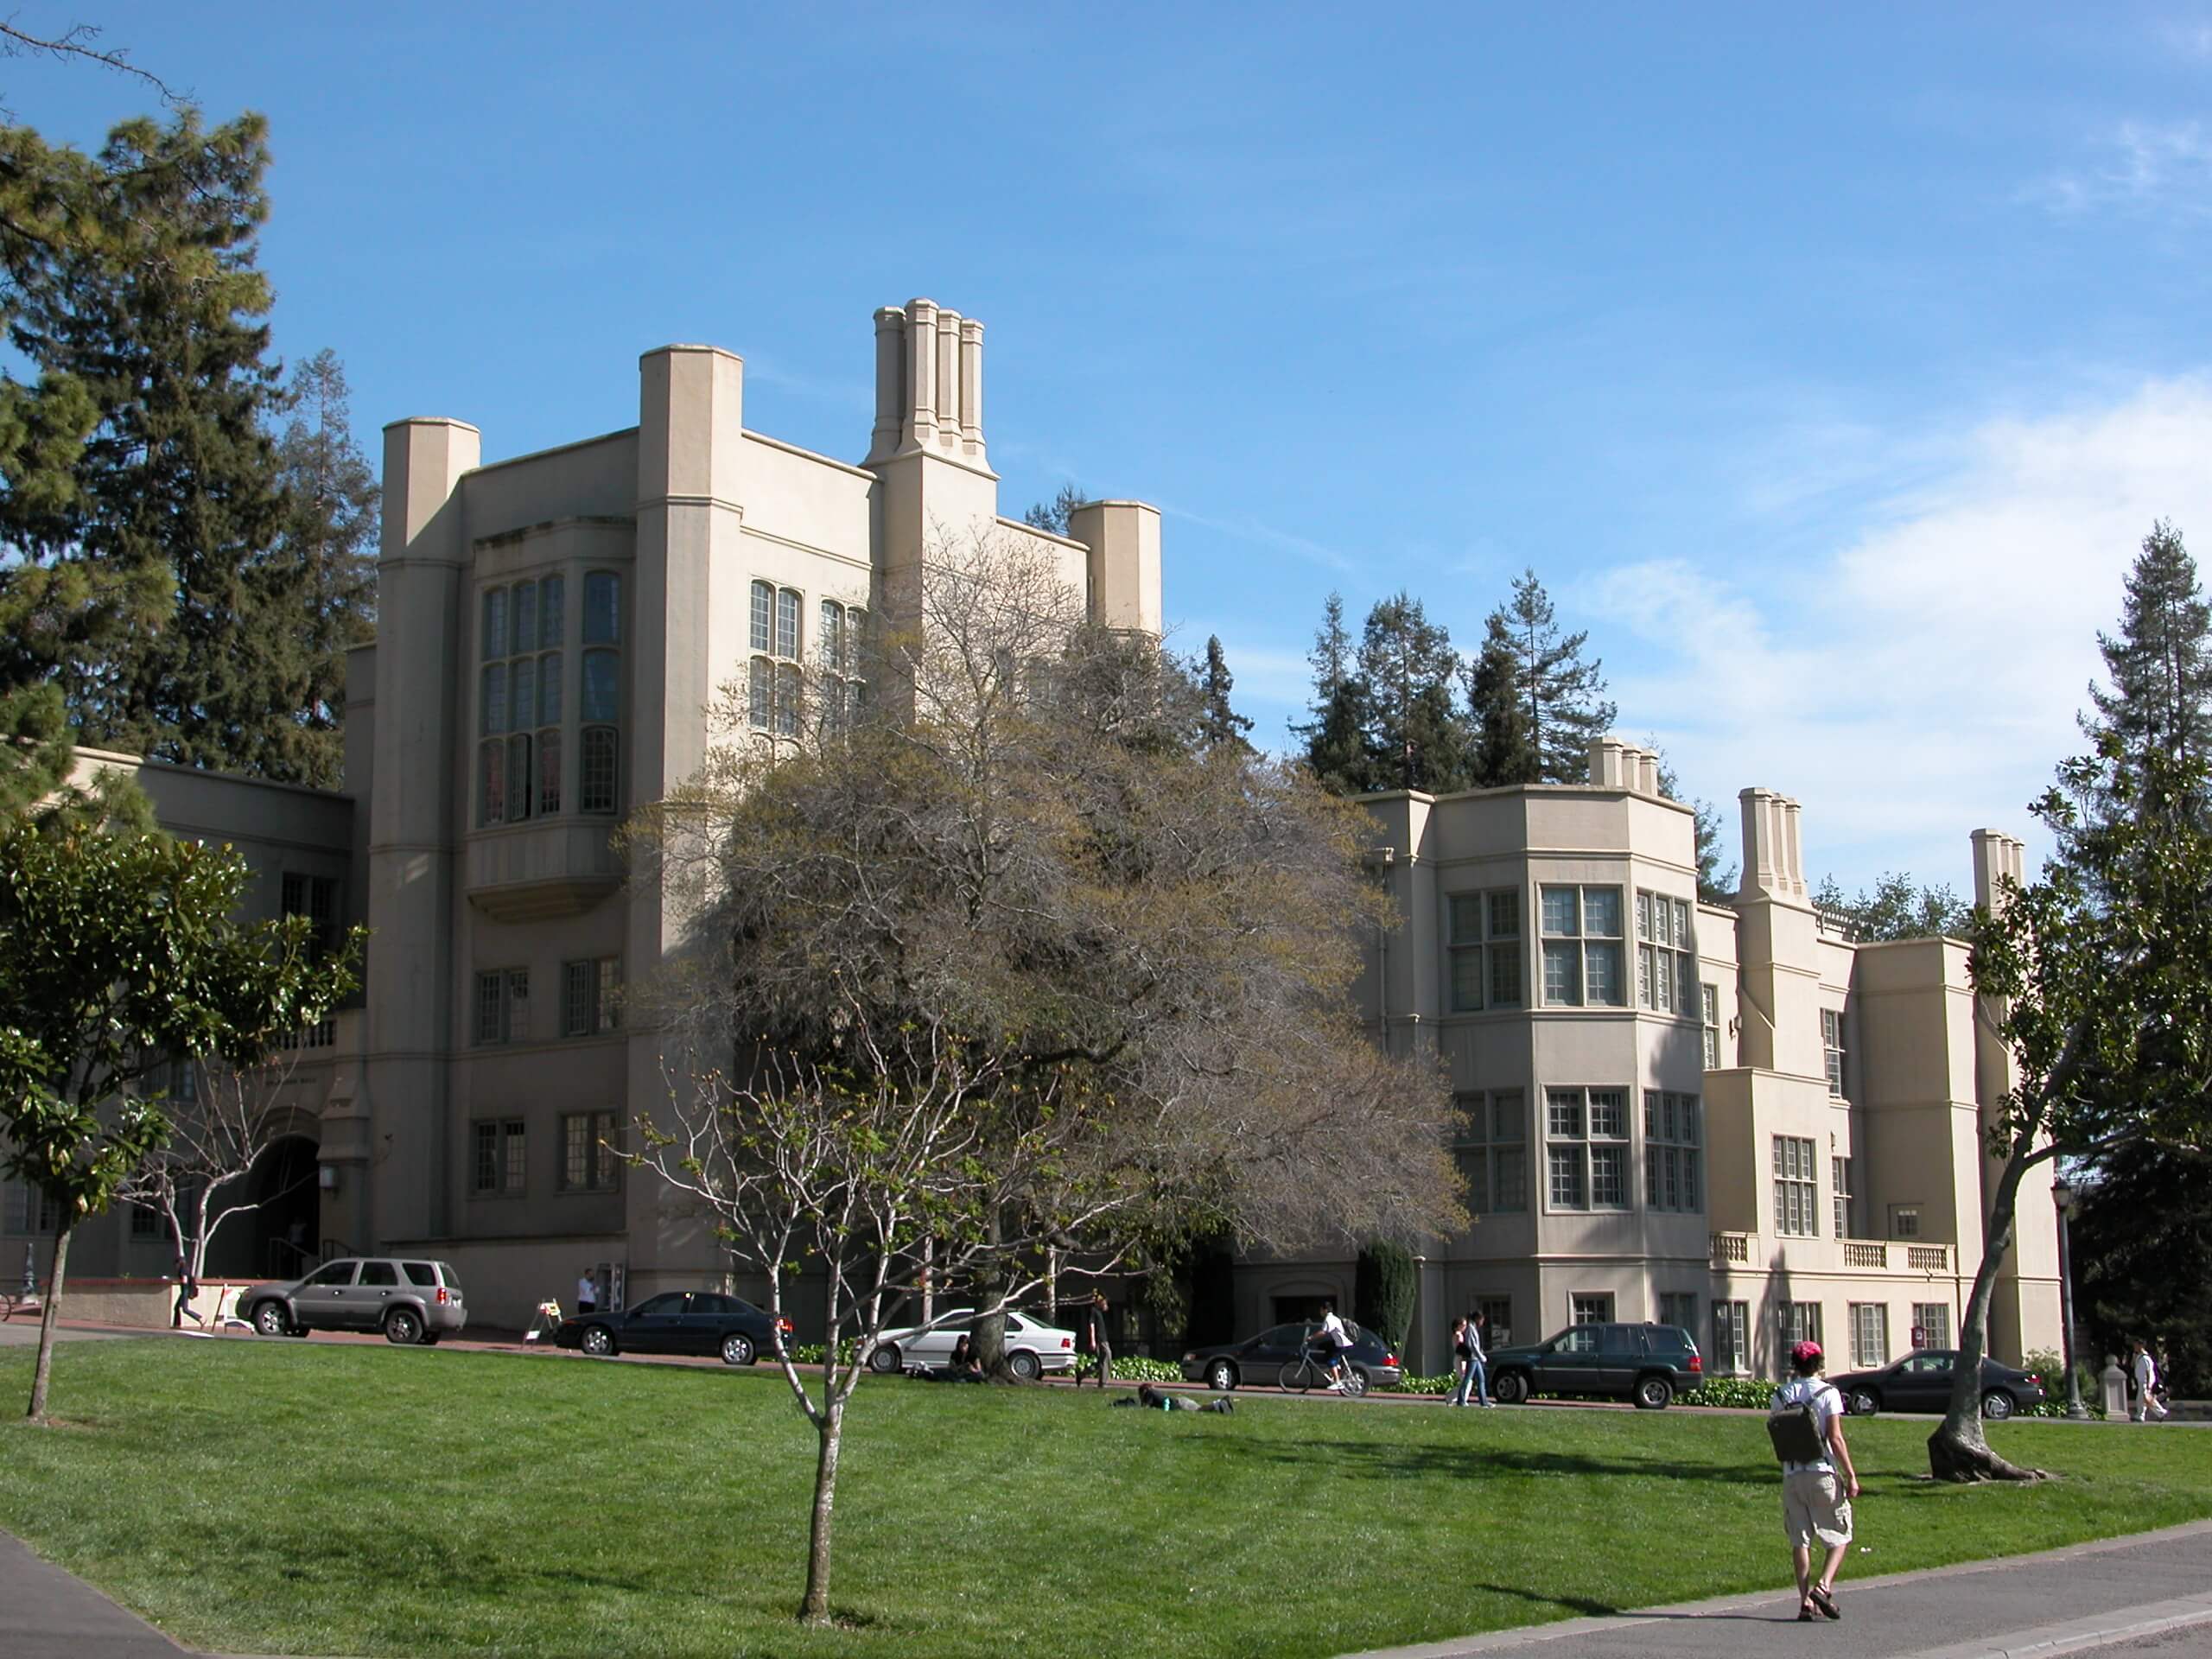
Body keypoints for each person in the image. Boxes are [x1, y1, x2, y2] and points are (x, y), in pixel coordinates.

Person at [1772, 1339, 1859, 1623]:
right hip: (1822, 1471)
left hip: (1792, 1474)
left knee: (1801, 1540)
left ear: (1794, 1364)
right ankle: (1823, 1586)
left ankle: (1804, 1602)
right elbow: (1835, 1437)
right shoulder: (1828, 1393)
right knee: (1840, 1535)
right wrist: (1851, 1474)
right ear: (1818, 1364)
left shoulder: (1781, 1395)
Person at [1450, 1312, 1493, 1408]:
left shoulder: (1472, 1327)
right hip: (1472, 1358)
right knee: (1467, 1379)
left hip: (1476, 1358)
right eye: (1481, 1320)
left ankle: (1484, 1401)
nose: (1482, 1323)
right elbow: (1472, 1344)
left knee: (1481, 1379)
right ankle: (1461, 1400)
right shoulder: (1470, 1328)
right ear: (1478, 1319)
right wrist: (1481, 1356)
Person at [1312, 1301, 1357, 1392]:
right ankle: (1337, 1367)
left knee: (1331, 1361)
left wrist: (1311, 1337)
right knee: (1323, 1346)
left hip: (1343, 1345)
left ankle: (1337, 1382)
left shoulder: (1329, 1319)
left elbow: (1323, 1332)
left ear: (1325, 1310)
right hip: (1343, 1343)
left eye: (1321, 1310)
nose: (1320, 1312)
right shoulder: (1335, 1318)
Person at [2131, 1340, 2171, 1421]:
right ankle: (2159, 1413)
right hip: (2141, 1381)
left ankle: (2143, 1415)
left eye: (2136, 1345)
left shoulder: (2145, 1358)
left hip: (2145, 1381)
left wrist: (2149, 1384)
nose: (2134, 1347)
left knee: (2144, 1399)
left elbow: (2148, 1371)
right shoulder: (2139, 1356)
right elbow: (2133, 1365)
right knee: (2144, 1399)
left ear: (2141, 1346)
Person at [1084, 1290, 1113, 1389]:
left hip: (1105, 1339)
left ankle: (1082, 1374)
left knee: (1101, 1363)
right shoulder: (1093, 1311)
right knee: (1107, 1357)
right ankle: (1102, 1384)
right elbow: (1091, 1325)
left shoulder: (1100, 1311)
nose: (1105, 1303)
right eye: (1103, 1302)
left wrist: (1105, 1305)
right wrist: (1093, 1340)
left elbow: (1106, 1308)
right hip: (1099, 1339)